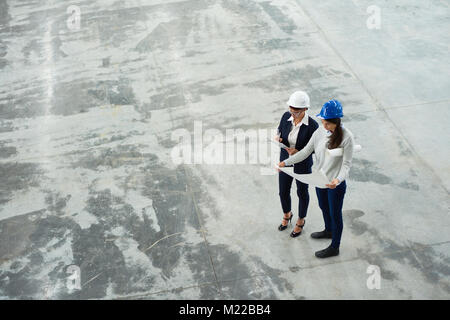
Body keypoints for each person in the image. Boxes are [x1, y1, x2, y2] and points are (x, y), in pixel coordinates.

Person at [278, 99, 354, 258]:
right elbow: (305, 152)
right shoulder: (319, 132)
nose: (324, 126)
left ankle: (335, 246)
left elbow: (346, 165)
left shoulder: (347, 137)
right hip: (320, 179)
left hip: (335, 184)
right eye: (322, 122)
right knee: (323, 206)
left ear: (336, 122)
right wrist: (286, 162)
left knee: (335, 213)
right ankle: (328, 230)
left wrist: (338, 180)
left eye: (327, 123)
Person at [276, 91, 318, 237]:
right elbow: (280, 131)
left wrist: (298, 151)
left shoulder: (313, 126)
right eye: (291, 110)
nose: (292, 114)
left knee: (302, 192)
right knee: (283, 191)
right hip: (285, 162)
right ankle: (287, 214)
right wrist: (279, 139)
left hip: (302, 164)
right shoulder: (285, 116)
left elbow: (315, 148)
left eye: (296, 112)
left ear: (305, 109)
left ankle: (301, 220)